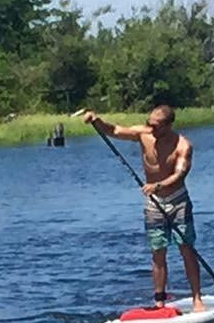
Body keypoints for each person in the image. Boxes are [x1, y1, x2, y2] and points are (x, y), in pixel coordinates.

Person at [83, 105, 205, 312]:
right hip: (154, 203)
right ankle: (159, 302)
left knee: (186, 249)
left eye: (155, 126)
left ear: (168, 126)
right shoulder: (143, 134)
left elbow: (180, 174)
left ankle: (197, 299)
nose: (151, 128)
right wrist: (97, 120)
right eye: (149, 123)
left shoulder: (183, 145)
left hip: (178, 201)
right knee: (158, 251)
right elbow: (114, 131)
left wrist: (158, 185)